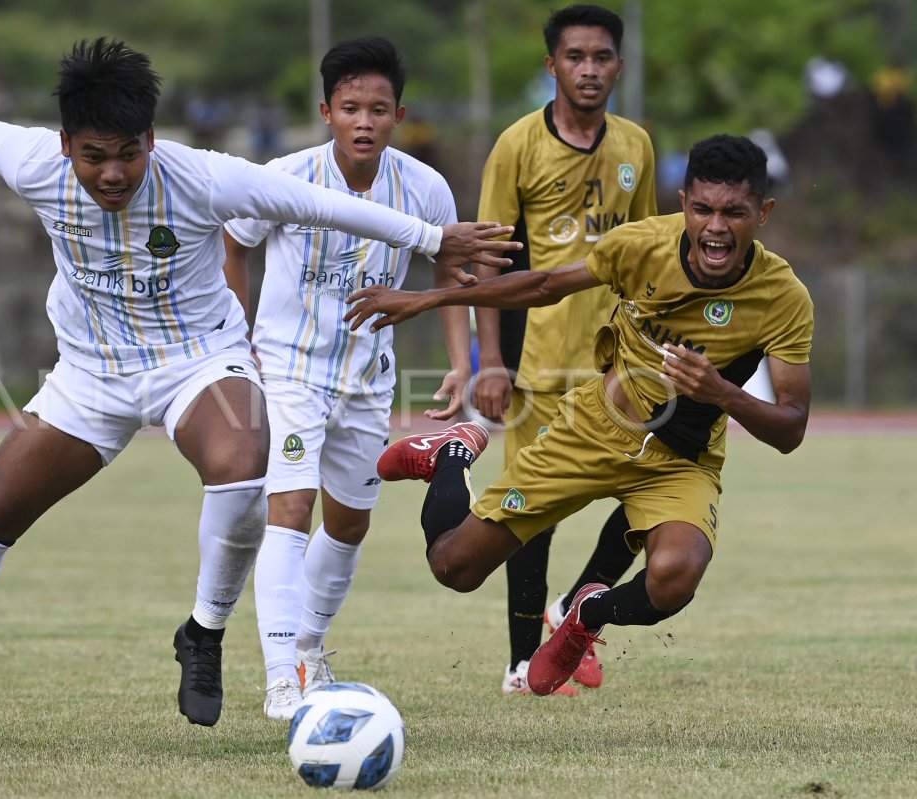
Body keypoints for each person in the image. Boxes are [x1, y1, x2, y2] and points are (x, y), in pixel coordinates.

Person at [0, 39, 516, 726]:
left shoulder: (200, 175)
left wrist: (429, 239)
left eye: (129, 155)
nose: (112, 173)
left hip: (197, 363)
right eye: (94, 156)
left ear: (151, 139)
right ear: (64, 144)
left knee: (241, 465)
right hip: (89, 376)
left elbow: (314, 203)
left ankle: (203, 632)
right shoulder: (32, 164)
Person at [346, 134, 813, 696]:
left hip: (677, 463)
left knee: (675, 577)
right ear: (683, 201)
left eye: (734, 213)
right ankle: (448, 456)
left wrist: (724, 394)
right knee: (455, 569)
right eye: (703, 209)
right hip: (591, 431)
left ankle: (588, 612)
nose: (716, 227)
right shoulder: (641, 245)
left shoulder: (784, 297)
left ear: (762, 213)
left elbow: (791, 427)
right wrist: (428, 300)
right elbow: (544, 284)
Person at [222, 36, 473, 721]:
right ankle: (281, 675)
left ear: (398, 114)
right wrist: (237, 342)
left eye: (379, 108)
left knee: (352, 522)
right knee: (291, 510)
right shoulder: (284, 176)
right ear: (326, 110)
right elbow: (233, 244)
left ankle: (310, 646)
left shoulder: (425, 187)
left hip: (369, 377)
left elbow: (451, 272)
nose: (365, 120)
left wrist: (462, 361)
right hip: (289, 370)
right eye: (351, 107)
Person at [471, 4, 656, 697]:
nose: (588, 69)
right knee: (531, 516)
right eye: (574, 57)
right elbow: (487, 264)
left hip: (620, 371)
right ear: (552, 65)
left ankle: (576, 601)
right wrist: (491, 360)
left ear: (619, 65)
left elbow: (649, 258)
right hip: (540, 368)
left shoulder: (636, 144)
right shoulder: (517, 145)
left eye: (601, 56)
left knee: (647, 499)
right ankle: (523, 662)